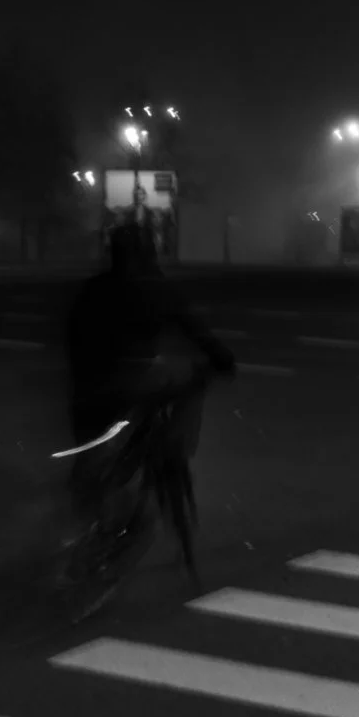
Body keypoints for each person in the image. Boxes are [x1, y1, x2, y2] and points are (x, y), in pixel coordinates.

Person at [64, 217, 236, 521]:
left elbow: (70, 336)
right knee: (193, 382)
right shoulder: (156, 287)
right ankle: (175, 447)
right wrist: (222, 360)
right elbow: (196, 330)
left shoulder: (94, 287)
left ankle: (81, 498)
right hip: (134, 381)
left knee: (88, 446)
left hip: (87, 388)